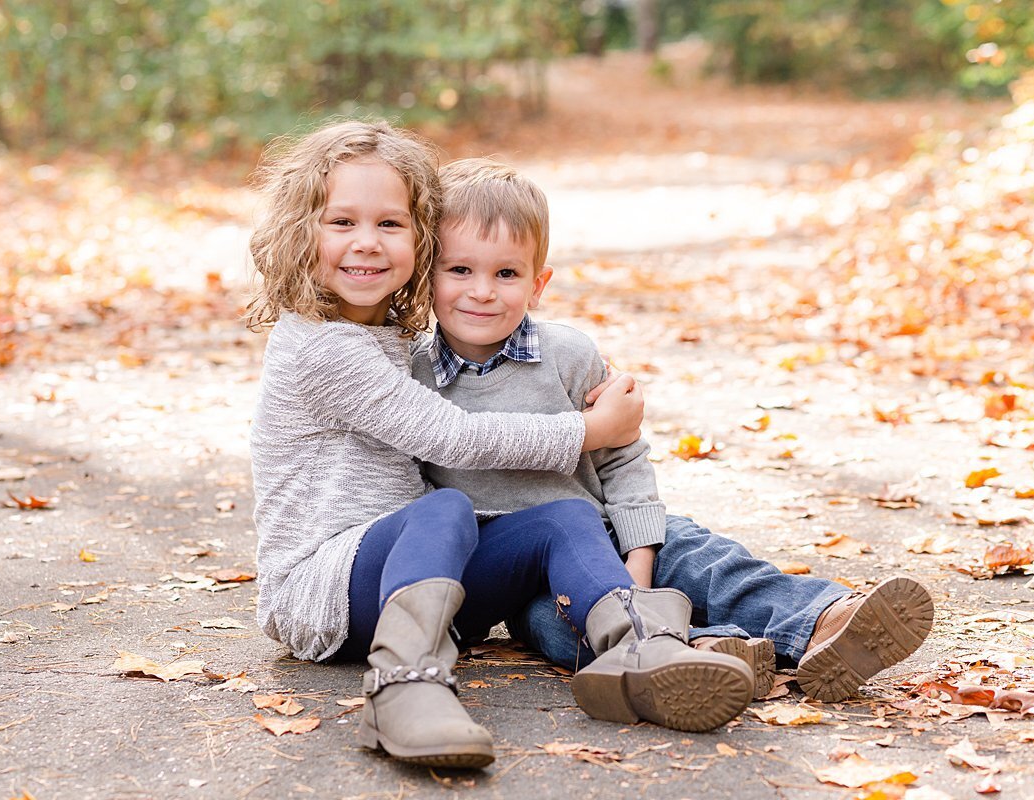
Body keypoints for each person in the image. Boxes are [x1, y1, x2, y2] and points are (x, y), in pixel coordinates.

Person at [245, 121, 755, 771]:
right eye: (341, 222)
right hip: (321, 594)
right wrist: (589, 432)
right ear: (300, 231)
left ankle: (641, 648)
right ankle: (401, 688)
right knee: (446, 507)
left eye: (391, 225)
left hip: (409, 584)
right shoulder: (319, 345)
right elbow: (448, 434)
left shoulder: (382, 334)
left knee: (563, 518)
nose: (366, 244)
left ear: (422, 241)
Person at [410, 158, 935, 704]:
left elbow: (622, 461)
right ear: (428, 276)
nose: (482, 292)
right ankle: (711, 652)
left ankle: (824, 620)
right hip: (526, 581)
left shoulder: (567, 356)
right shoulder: (412, 376)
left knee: (702, 558)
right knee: (556, 629)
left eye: (507, 273)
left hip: (610, 529)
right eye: (460, 270)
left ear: (538, 284)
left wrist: (638, 558)